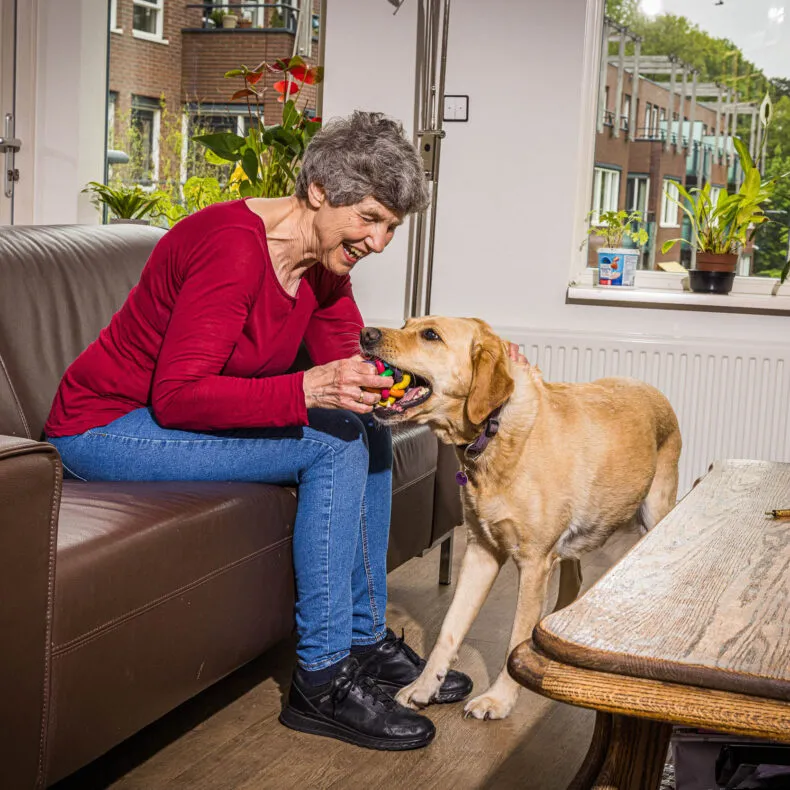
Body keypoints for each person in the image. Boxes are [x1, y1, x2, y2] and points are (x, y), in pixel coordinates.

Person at [44, 111, 472, 752]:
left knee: (370, 433)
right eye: (371, 219)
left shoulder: (326, 261)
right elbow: (180, 396)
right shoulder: (231, 247)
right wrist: (305, 389)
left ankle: (362, 637)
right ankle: (322, 681)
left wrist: (414, 383)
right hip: (104, 426)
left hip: (159, 420)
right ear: (322, 191)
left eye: (392, 227)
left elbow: (347, 364)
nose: (380, 242)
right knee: (331, 449)